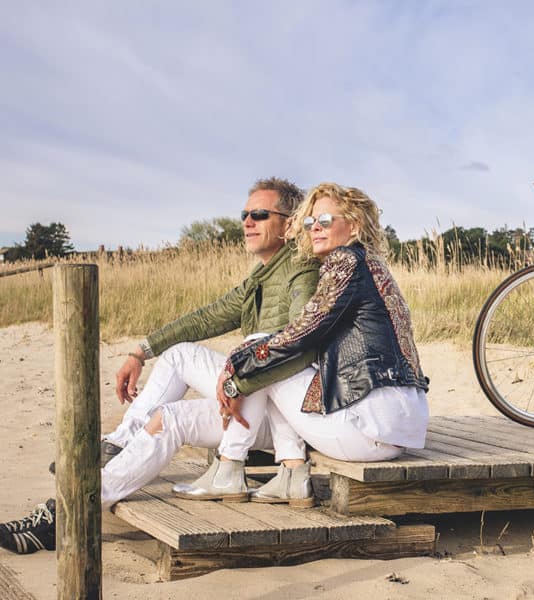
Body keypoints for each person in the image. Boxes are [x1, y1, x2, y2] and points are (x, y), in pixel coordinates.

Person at [1, 177, 320, 555]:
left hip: (281, 414)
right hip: (250, 407)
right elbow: (208, 317)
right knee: (169, 405)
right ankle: (82, 492)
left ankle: (70, 507)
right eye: (245, 214)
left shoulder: (303, 270)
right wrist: (141, 351)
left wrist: (238, 377)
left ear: (289, 223)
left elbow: (299, 339)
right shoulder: (260, 278)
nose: (247, 222)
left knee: (187, 357)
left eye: (260, 214)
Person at [208, 182, 430, 505]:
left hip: (368, 432)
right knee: (268, 355)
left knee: (260, 347)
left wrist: (235, 370)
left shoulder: (345, 262)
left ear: (353, 225)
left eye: (325, 221)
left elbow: (300, 334)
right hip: (397, 429)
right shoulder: (372, 265)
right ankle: (287, 475)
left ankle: (232, 466)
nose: (315, 229)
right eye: (310, 223)